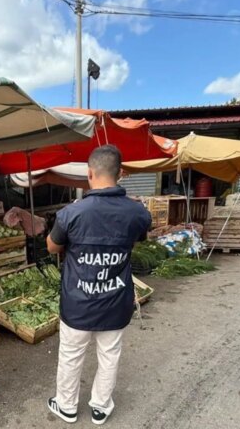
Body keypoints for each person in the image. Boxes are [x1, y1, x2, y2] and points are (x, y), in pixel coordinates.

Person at [46, 145, 152, 425]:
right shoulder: (137, 212)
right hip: (115, 302)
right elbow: (139, 238)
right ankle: (100, 407)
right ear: (121, 174)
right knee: (109, 356)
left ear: (89, 173)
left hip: (77, 304)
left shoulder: (71, 213)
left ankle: (66, 407)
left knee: (70, 356)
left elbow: (52, 247)